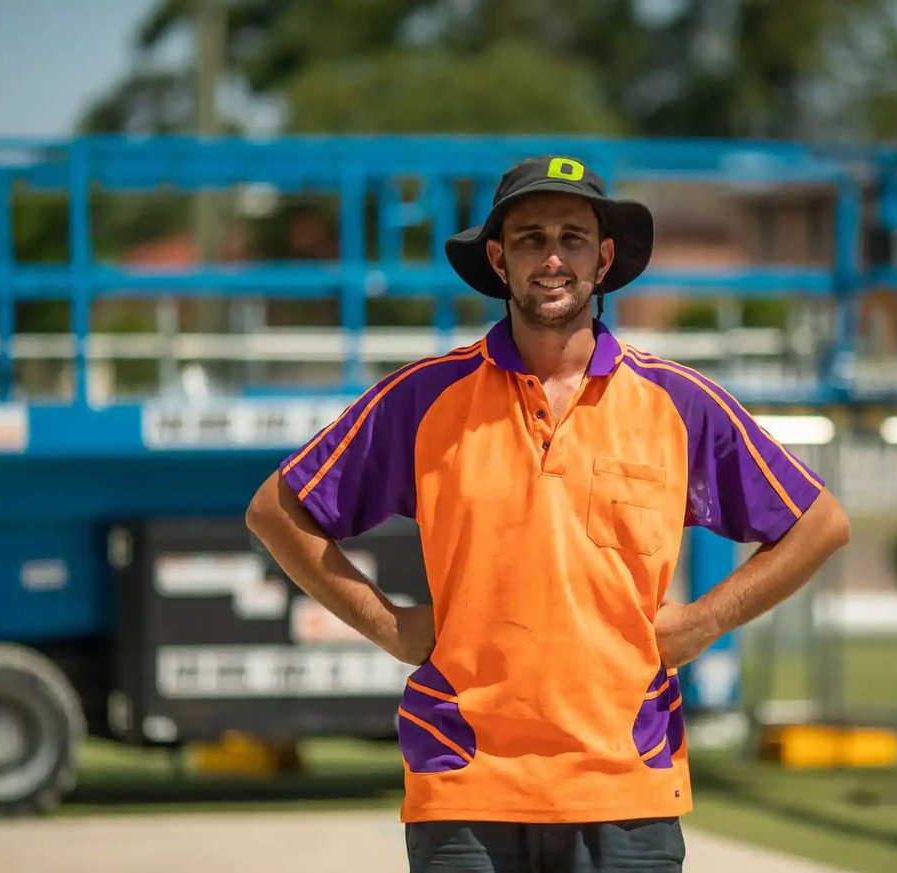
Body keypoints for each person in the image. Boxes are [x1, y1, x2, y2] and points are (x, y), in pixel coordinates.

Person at [246, 155, 851, 872]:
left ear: (603, 257)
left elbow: (819, 523)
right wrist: (391, 624)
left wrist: (703, 622)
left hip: (626, 782)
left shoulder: (677, 402)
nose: (553, 257)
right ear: (499, 260)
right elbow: (276, 511)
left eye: (572, 237)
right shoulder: (424, 398)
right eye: (531, 238)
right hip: (463, 781)